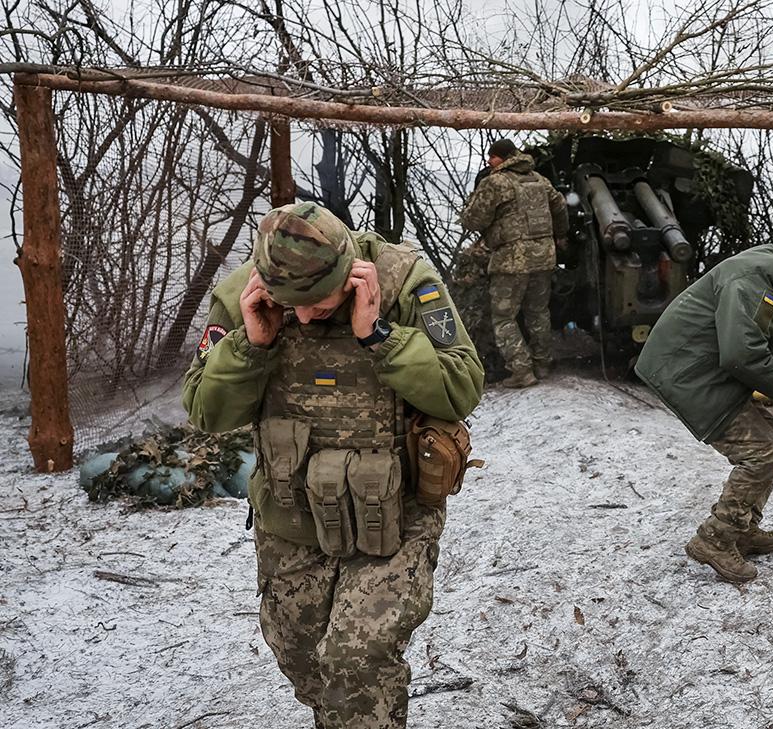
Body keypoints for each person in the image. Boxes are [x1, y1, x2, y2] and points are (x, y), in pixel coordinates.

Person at [182, 202, 484, 728]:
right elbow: (205, 411)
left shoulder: (405, 283)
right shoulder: (240, 297)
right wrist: (252, 347)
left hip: (394, 513)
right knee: (301, 659)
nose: (302, 318)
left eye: (318, 304)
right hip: (291, 514)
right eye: (288, 305)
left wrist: (380, 336)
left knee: (355, 661)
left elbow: (461, 388)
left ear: (350, 273)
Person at [634, 232, 773, 584]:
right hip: (687, 371)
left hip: (707, 369)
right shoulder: (753, 280)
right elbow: (741, 351)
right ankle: (715, 539)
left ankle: (741, 529)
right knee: (762, 450)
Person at [459, 138, 568, 388]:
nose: (489, 161)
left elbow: (473, 220)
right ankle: (542, 364)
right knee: (538, 311)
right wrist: (559, 235)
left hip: (511, 260)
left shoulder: (495, 182)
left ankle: (521, 370)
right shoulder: (539, 180)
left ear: (504, 157)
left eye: (492, 156)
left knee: (504, 316)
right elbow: (560, 206)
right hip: (543, 257)